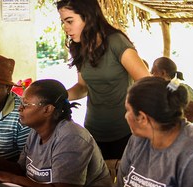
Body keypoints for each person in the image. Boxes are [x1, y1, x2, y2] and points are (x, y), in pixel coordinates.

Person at [0, 79, 112, 187]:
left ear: (47, 109)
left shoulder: (72, 138)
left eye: (26, 104)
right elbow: (22, 170)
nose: (19, 108)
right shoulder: (36, 132)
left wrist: (11, 178)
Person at [56, 0, 150, 160]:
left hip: (125, 131)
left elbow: (147, 83)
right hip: (93, 130)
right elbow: (82, 86)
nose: (65, 27)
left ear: (88, 17)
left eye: (69, 21)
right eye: (63, 22)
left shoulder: (116, 42)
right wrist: (58, 96)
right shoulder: (79, 47)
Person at [151, 56, 193, 123]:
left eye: (153, 72)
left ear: (163, 73)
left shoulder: (176, 87)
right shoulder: (173, 87)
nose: (151, 75)